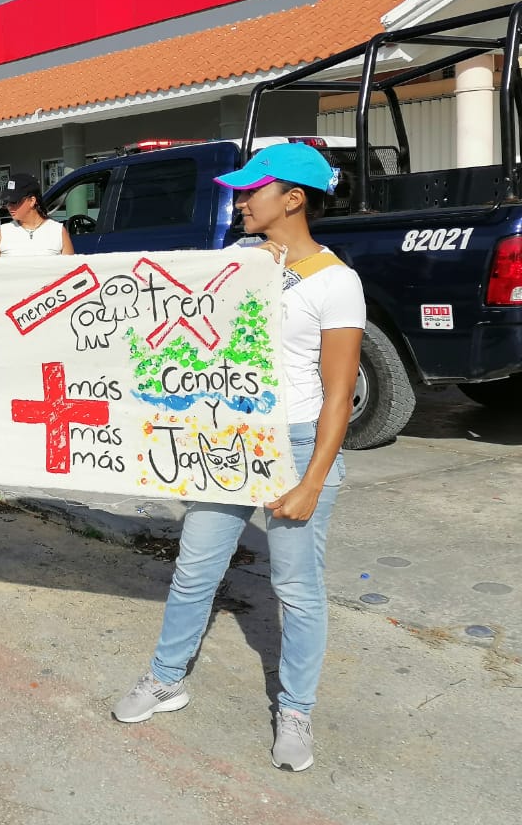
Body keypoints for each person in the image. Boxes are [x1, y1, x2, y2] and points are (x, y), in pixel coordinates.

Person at [112, 143, 364, 774]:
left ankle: (297, 708)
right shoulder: (235, 261)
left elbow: (339, 395)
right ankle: (167, 678)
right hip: (228, 442)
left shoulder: (338, 282)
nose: (241, 201)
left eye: (254, 191)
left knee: (297, 590)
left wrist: (309, 482)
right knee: (194, 569)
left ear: (294, 199)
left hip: (301, 444)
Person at [0, 172, 74, 257]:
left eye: (14, 201)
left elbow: (70, 269)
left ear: (32, 201)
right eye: (6, 202)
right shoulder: (3, 232)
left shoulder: (58, 231)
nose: (9, 206)